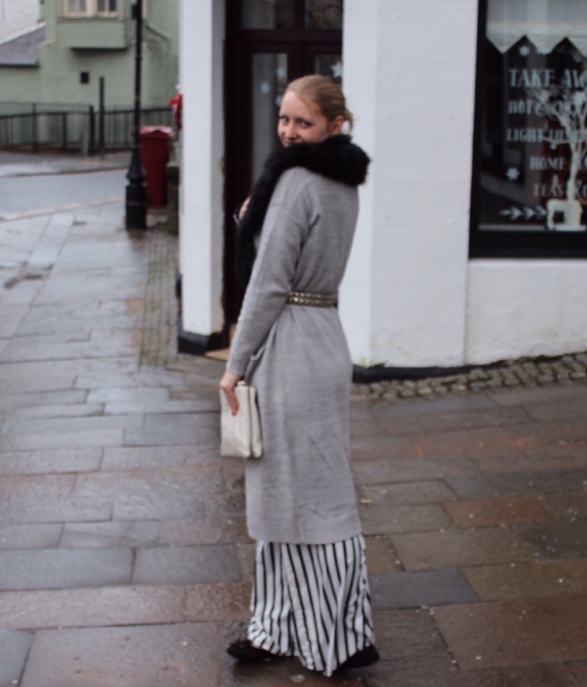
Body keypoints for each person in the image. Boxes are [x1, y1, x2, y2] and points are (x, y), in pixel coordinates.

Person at [219, 75, 378, 676]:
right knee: (302, 489)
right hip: (323, 337)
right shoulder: (342, 181)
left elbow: (269, 282)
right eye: (284, 119)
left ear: (334, 125)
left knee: (299, 494)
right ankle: (287, 627)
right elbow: (304, 255)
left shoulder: (294, 180)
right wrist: (256, 223)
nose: (288, 131)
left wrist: (235, 364)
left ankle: (327, 638)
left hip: (287, 344)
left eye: (302, 123)